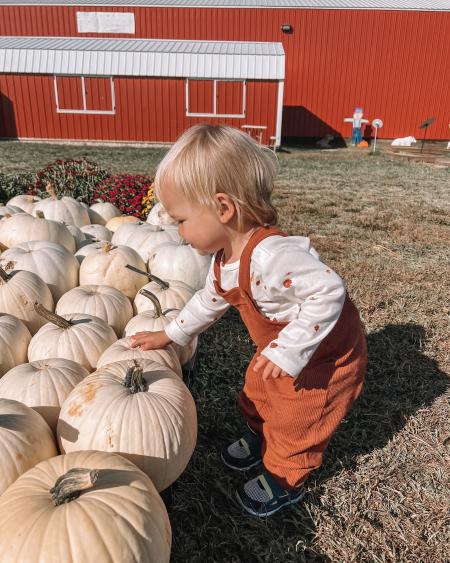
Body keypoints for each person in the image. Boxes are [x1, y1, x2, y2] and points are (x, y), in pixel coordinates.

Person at [131, 124, 368, 518]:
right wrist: (170, 335)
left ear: (223, 209)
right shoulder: (225, 258)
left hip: (323, 356)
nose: (177, 230)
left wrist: (290, 349)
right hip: (279, 349)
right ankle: (260, 436)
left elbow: (329, 290)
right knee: (258, 391)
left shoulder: (273, 257)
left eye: (182, 220)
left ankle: (284, 478)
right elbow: (208, 301)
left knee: (298, 420)